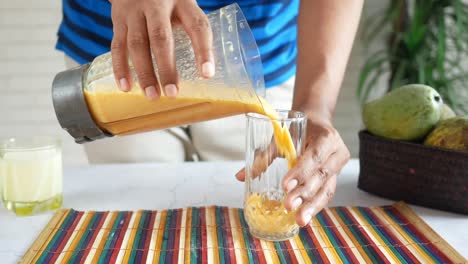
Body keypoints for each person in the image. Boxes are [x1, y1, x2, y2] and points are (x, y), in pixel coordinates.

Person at [56, 0, 363, 226]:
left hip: (252, 58)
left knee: (244, 215)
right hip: (125, 60)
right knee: (139, 218)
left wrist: (314, 106)